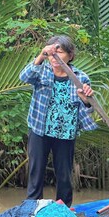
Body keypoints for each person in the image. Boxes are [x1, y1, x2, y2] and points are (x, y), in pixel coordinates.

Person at [19, 35, 97, 207]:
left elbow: (89, 107)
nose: (54, 57)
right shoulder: (42, 71)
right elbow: (24, 77)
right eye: (51, 53)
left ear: (70, 55)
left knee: (64, 174)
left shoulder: (80, 78)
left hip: (65, 132)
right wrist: (41, 56)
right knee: (36, 172)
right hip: (39, 129)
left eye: (59, 52)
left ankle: (63, 209)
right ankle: (32, 209)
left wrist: (86, 99)